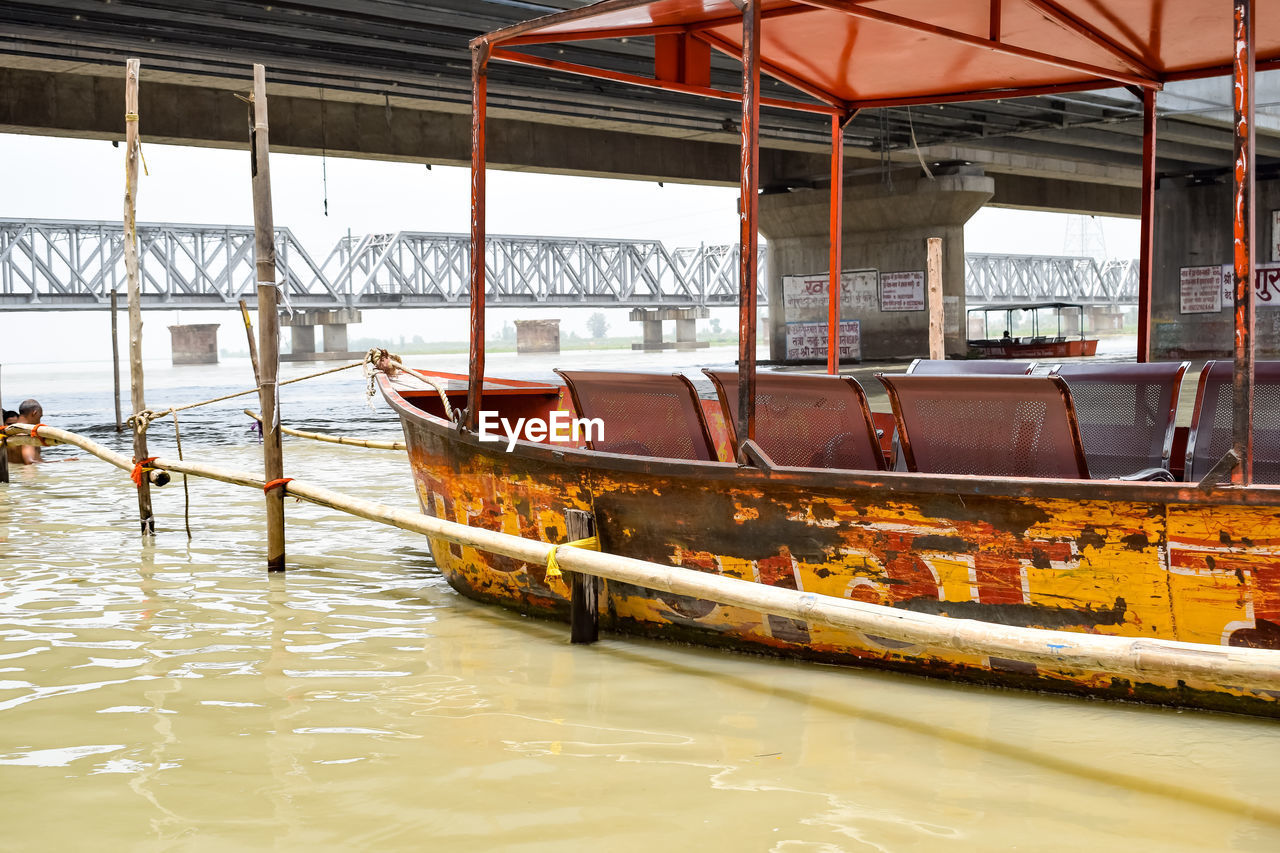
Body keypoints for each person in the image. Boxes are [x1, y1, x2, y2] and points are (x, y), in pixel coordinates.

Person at [6, 399, 43, 465]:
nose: (39, 422)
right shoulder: (26, 434)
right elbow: (30, 462)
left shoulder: (9, 432)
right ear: (34, 413)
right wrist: (64, 461)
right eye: (39, 417)